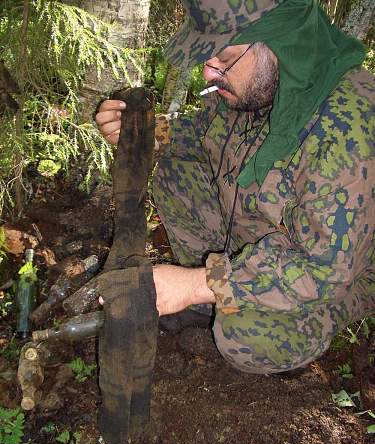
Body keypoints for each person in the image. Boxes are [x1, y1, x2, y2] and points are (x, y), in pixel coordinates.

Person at [95, 0, 375, 374]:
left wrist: (196, 283)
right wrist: (144, 133)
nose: (209, 73)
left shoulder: (349, 126)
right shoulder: (261, 84)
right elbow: (199, 134)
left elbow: (322, 265)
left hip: (334, 272)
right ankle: (213, 296)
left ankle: (280, 332)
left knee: (245, 335)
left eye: (223, 58)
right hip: (261, 233)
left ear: (279, 44)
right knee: (174, 171)